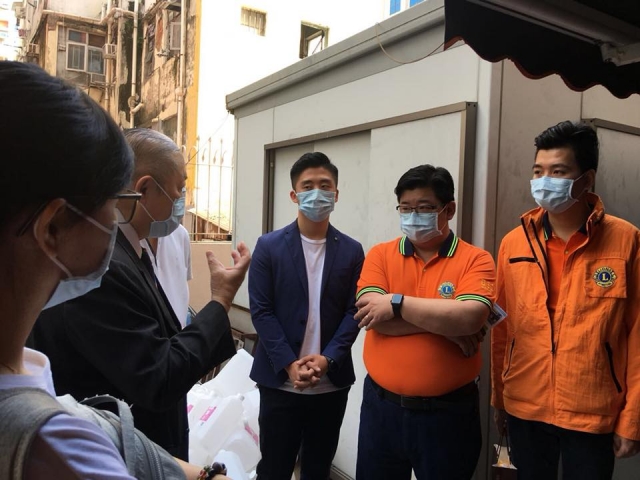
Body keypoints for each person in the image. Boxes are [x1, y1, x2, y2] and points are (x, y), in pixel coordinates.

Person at [32, 127, 251, 461]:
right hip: (123, 457)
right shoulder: (103, 268)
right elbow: (158, 376)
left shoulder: (133, 251)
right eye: (179, 188)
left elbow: (163, 342)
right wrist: (220, 301)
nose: (182, 199)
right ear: (145, 188)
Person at [491, 121, 640, 479]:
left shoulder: (626, 240)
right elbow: (501, 326)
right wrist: (499, 398)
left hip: (591, 408)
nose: (544, 181)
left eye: (558, 172)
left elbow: (637, 334)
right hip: (525, 403)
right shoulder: (514, 243)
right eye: (538, 171)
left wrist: (632, 418)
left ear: (587, 179)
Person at [355, 165, 496, 480]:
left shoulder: (476, 259)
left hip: (448, 416)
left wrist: (396, 303)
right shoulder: (380, 255)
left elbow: (471, 316)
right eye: (405, 208)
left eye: (425, 208)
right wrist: (447, 327)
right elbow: (371, 316)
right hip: (382, 410)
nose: (413, 215)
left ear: (449, 210)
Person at [248, 152, 364, 480]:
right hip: (279, 383)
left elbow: (354, 311)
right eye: (308, 186)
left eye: (325, 186)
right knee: (274, 469)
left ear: (336, 194)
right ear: (294, 194)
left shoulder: (352, 250)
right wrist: (289, 363)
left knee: (317, 469)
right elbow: (261, 310)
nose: (317, 193)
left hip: (330, 386)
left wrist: (328, 359)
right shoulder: (269, 246)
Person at [143, 204, 192, 327]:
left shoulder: (181, 234)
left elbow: (181, 286)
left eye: (182, 193)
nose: (179, 198)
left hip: (179, 334)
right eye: (177, 190)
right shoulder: (120, 241)